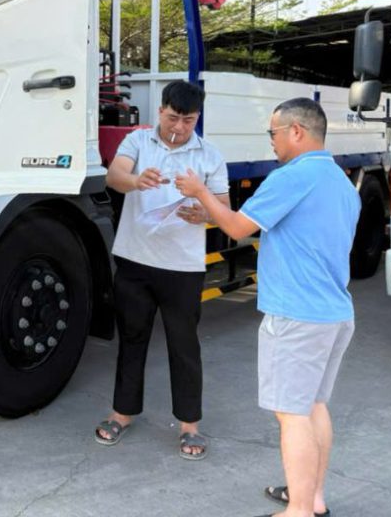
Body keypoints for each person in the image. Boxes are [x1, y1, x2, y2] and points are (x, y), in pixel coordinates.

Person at [175, 97, 360, 517]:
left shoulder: (292, 177)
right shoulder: (339, 181)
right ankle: (312, 497)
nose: (272, 143)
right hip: (334, 312)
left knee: (291, 414)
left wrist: (201, 191)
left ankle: (298, 510)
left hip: (296, 316)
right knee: (313, 406)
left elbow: (239, 228)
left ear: (296, 131)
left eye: (273, 134)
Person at [94, 80, 230, 460]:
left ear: (197, 118)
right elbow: (113, 176)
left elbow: (223, 207)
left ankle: (190, 426)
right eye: (173, 117)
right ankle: (121, 414)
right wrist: (136, 181)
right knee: (132, 339)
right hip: (135, 261)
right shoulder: (138, 143)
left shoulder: (209, 155)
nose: (179, 127)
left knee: (184, 345)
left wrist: (202, 210)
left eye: (188, 120)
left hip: (182, 267)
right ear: (160, 111)